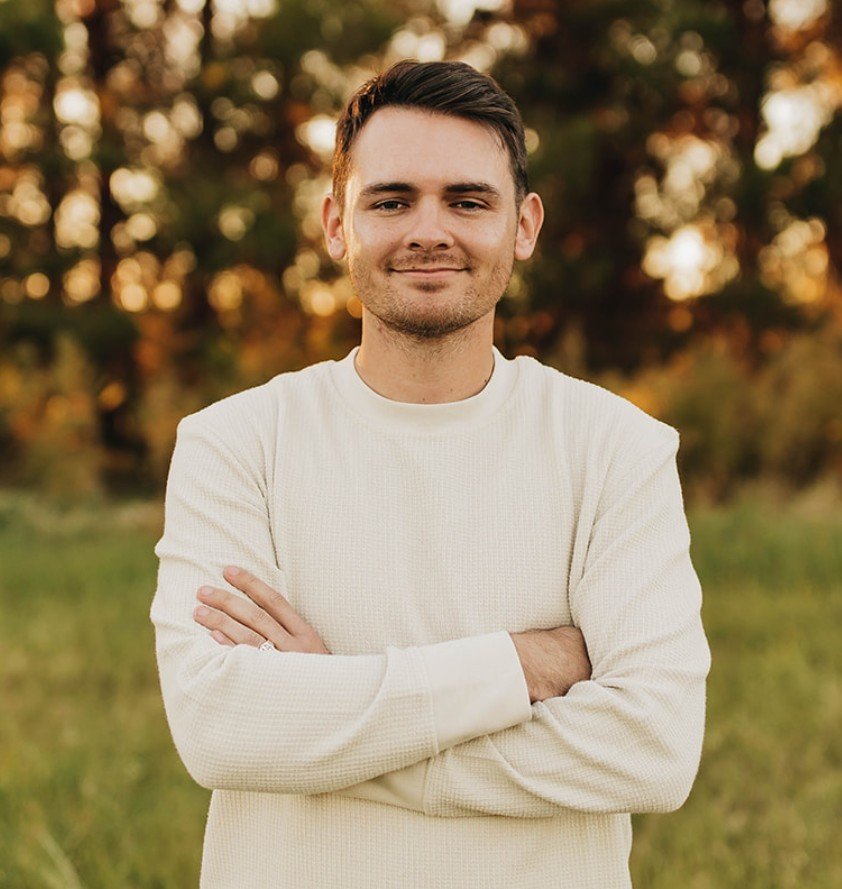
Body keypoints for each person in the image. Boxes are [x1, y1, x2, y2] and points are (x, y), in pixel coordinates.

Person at [150, 59, 711, 889]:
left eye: (467, 200)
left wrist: (333, 720)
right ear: (337, 224)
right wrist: (518, 667)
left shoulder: (616, 448)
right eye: (391, 200)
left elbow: (655, 746)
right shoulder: (234, 444)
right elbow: (219, 727)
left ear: (523, 225)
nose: (428, 229)